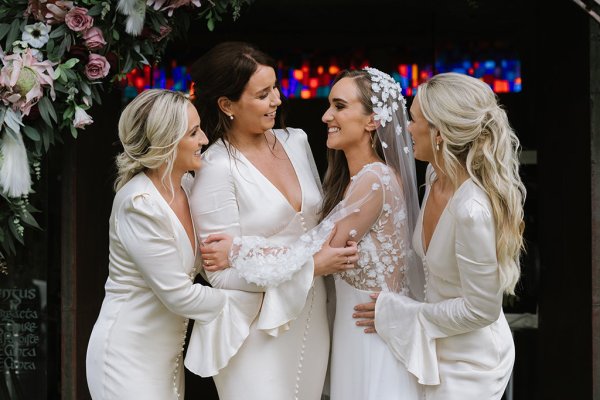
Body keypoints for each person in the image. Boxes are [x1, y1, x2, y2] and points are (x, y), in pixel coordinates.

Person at [183, 42, 358, 400]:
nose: (277, 100)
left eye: (275, 88)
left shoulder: (297, 141)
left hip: (311, 317)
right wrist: (309, 266)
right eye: (263, 94)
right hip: (253, 329)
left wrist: (311, 265)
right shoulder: (216, 168)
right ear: (227, 105)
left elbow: (315, 227)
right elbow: (218, 274)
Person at [354, 72, 526, 400]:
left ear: (438, 133)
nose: (406, 127)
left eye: (414, 119)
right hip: (435, 346)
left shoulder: (471, 210)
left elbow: (482, 310)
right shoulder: (435, 175)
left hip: (473, 360)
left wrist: (401, 313)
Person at [85, 89, 262, 400]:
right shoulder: (139, 205)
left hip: (166, 360)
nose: (205, 139)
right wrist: (246, 303)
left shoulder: (190, 187)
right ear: (166, 141)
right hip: (126, 356)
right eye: (194, 132)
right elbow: (179, 295)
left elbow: (212, 263)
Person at [318, 68, 423, 400]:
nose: (326, 116)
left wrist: (242, 250)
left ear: (373, 120)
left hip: (369, 337)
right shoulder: (362, 178)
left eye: (339, 106)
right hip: (355, 331)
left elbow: (315, 253)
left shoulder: (373, 179)